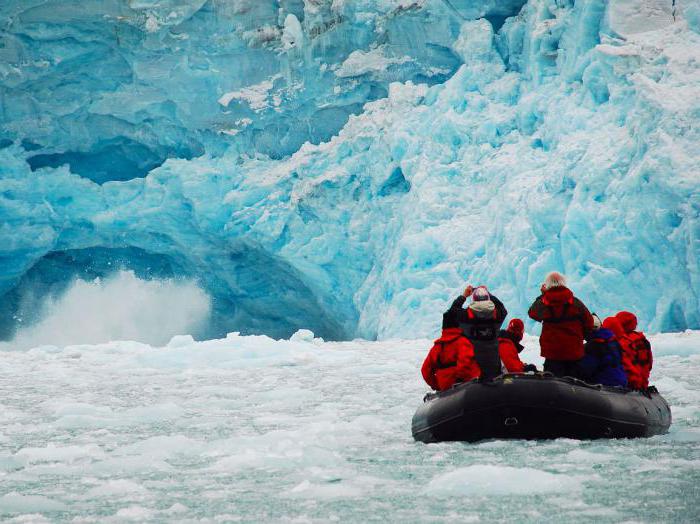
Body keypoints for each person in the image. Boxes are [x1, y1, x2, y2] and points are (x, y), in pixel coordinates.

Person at [528, 271, 594, 378]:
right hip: (574, 353)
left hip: (553, 354)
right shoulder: (576, 303)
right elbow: (589, 323)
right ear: (564, 283)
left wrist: (543, 295)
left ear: (547, 285)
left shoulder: (544, 303)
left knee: (553, 384)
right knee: (575, 384)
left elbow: (533, 313)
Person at [445, 284, 508, 380]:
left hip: (473, 372)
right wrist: (488, 293)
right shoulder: (497, 316)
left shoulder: (465, 316)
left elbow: (452, 312)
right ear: (488, 299)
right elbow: (502, 308)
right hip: (493, 369)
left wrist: (464, 296)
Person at [421, 306, 481, 391]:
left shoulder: (436, 347)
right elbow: (464, 363)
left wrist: (437, 385)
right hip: (467, 386)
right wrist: (459, 380)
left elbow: (425, 370)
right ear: (458, 325)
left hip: (445, 387)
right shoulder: (462, 342)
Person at [579, 314, 628, 387]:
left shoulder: (594, 346)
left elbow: (586, 369)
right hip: (621, 381)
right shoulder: (613, 342)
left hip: (604, 383)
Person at [615, 311, 653, 390]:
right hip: (643, 382)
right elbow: (649, 363)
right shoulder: (643, 340)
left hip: (631, 383)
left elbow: (626, 365)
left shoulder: (623, 341)